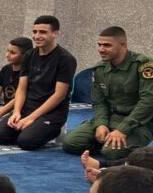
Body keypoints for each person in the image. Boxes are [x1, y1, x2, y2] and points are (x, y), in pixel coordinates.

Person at [61, 26, 153, 162]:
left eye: (107, 45)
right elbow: (99, 101)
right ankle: (108, 141)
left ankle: (119, 144)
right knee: (70, 143)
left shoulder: (143, 65)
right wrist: (101, 124)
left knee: (111, 154)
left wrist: (123, 129)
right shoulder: (100, 68)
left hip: (139, 123)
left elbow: (148, 102)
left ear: (123, 45)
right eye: (99, 45)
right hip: (111, 118)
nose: (101, 49)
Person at [0, 16, 77, 150]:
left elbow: (59, 95)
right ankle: (32, 128)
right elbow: (22, 88)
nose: (37, 36)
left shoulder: (65, 59)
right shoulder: (29, 55)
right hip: (28, 107)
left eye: (42, 32)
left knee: (26, 142)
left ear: (55, 33)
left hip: (51, 112)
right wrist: (16, 112)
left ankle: (55, 130)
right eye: (34, 32)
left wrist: (31, 118)